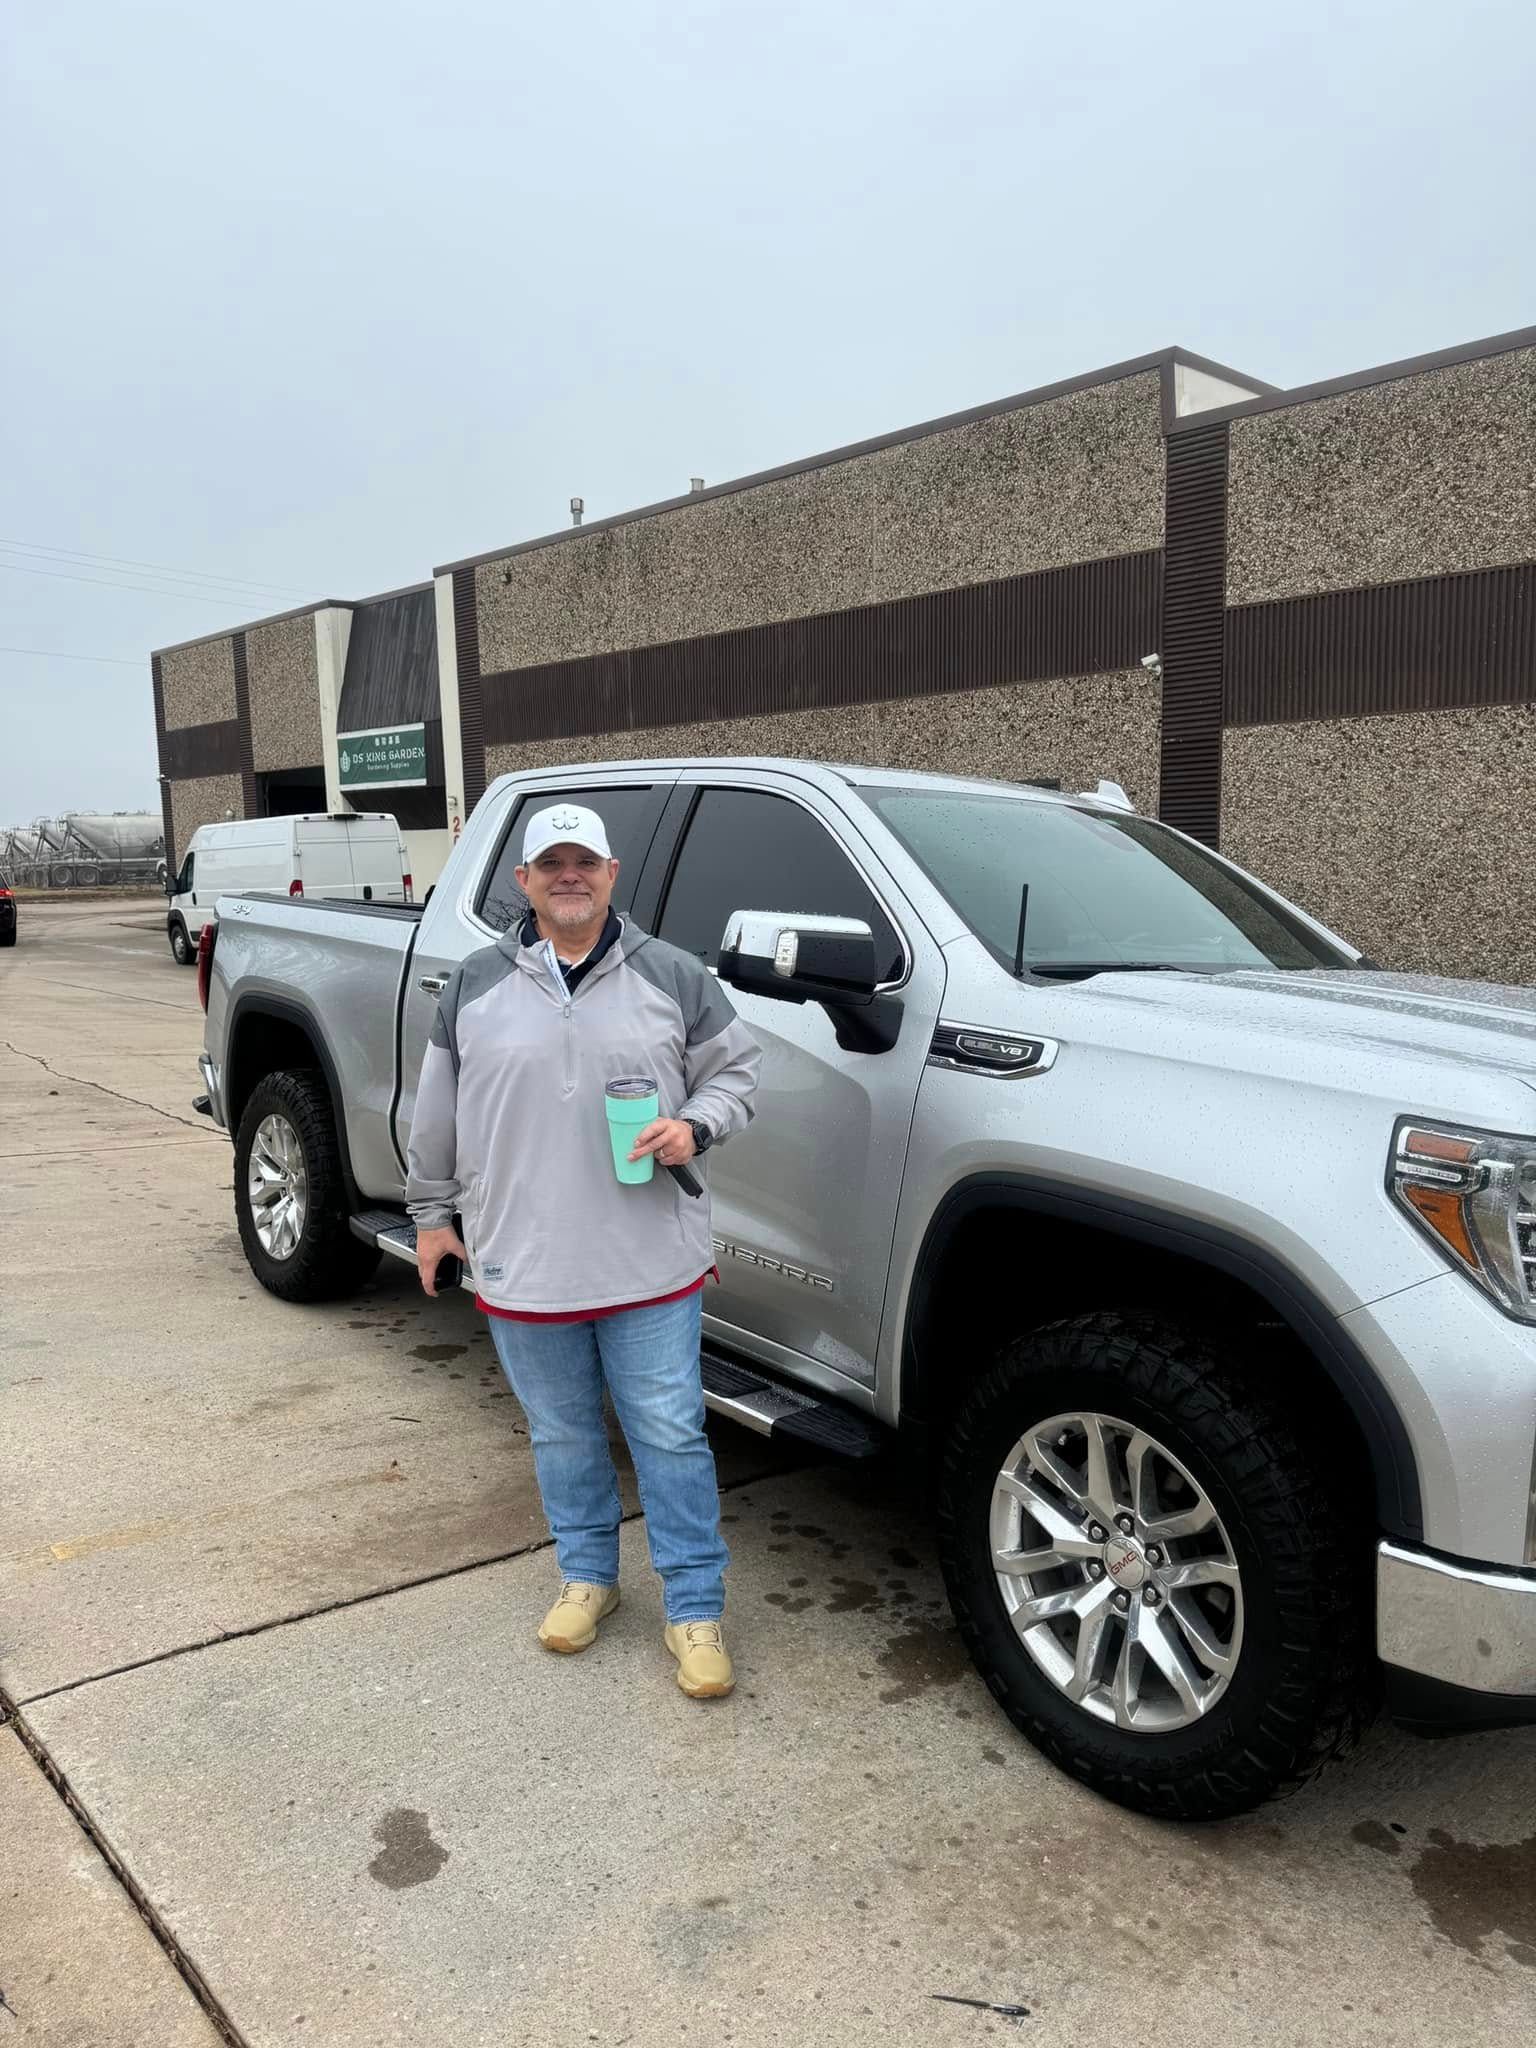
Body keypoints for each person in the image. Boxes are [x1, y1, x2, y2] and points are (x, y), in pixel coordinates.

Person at [404, 802, 761, 1698]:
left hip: (649, 1263)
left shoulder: (676, 976)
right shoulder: (475, 984)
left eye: (586, 862)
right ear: (521, 881)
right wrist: (432, 1216)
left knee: (671, 1437)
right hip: (523, 1259)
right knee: (562, 1433)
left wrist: (696, 1124)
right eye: (549, 862)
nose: (570, 875)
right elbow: (435, 1113)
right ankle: (589, 1579)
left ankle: (694, 1608)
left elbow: (738, 1074)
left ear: (611, 875)